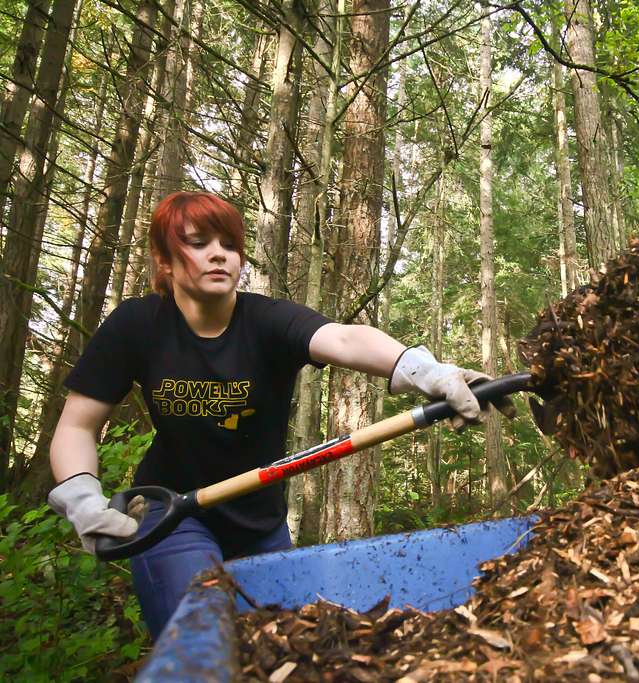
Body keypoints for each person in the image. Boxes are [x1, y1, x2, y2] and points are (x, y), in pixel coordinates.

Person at [46, 192, 513, 638]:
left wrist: (426, 371)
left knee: (283, 646)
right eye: (198, 243)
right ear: (164, 261)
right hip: (174, 513)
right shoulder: (137, 325)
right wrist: (82, 499)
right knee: (206, 634)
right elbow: (75, 426)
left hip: (260, 522)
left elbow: (346, 339)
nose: (219, 255)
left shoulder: (266, 321)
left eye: (230, 245)